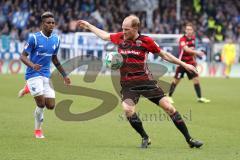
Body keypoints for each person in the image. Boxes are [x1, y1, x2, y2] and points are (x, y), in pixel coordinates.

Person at [77, 15, 203, 148]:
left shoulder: (146, 41)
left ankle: (189, 140)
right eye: (123, 29)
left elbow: (164, 55)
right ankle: (145, 137)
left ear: (136, 28)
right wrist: (89, 26)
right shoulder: (120, 37)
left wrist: (184, 64)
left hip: (146, 82)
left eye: (127, 29)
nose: (124, 32)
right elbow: (105, 35)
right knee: (127, 110)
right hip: (128, 84)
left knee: (169, 108)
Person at [20, 11, 71, 138]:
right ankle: (38, 130)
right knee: (41, 104)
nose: (51, 25)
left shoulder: (56, 39)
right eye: (48, 23)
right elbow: (23, 56)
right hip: (33, 74)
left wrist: (64, 75)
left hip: (46, 75)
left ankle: (27, 89)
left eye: (53, 23)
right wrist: (32, 65)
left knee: (51, 106)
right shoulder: (34, 38)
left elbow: (54, 58)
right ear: (43, 24)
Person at [167, 23, 210, 104]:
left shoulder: (193, 39)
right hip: (182, 63)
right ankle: (169, 96)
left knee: (196, 79)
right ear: (185, 30)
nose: (188, 31)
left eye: (190, 29)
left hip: (191, 63)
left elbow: (192, 51)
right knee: (176, 80)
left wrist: (195, 60)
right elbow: (186, 49)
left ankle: (200, 98)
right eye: (187, 29)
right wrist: (197, 52)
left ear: (193, 30)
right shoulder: (182, 39)